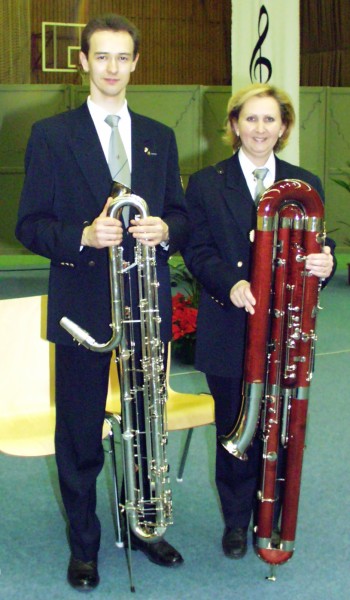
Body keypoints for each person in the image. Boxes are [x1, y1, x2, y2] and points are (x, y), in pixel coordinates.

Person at [16, 14, 189, 592]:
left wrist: (166, 229)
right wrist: (82, 236)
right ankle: (85, 545)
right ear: (84, 62)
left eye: (124, 58)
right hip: (82, 309)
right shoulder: (51, 134)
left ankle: (146, 525)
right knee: (80, 432)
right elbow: (30, 226)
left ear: (136, 63)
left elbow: (181, 214)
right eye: (102, 57)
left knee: (148, 424)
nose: (113, 68)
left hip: (148, 310)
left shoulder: (159, 137)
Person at [183, 83, 335, 561]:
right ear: (233, 125)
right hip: (229, 326)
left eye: (270, 119)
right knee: (238, 431)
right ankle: (235, 521)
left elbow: (315, 253)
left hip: (286, 334)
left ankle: (271, 515)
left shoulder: (305, 184)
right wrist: (231, 284)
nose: (260, 128)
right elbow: (198, 250)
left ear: (284, 127)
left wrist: (323, 266)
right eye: (250, 118)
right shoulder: (206, 183)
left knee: (283, 428)